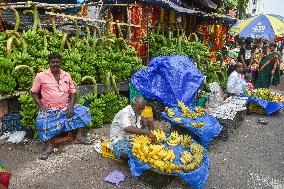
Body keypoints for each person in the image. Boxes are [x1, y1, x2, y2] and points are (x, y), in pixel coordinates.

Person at [31, 53, 92, 160]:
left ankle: (79, 137)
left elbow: (72, 92)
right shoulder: (41, 76)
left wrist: (71, 107)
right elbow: (34, 92)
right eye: (53, 62)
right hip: (50, 109)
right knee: (41, 122)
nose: (55, 64)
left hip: (65, 107)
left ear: (60, 62)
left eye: (57, 62)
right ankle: (49, 146)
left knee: (84, 111)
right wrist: (40, 105)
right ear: (49, 63)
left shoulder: (66, 75)